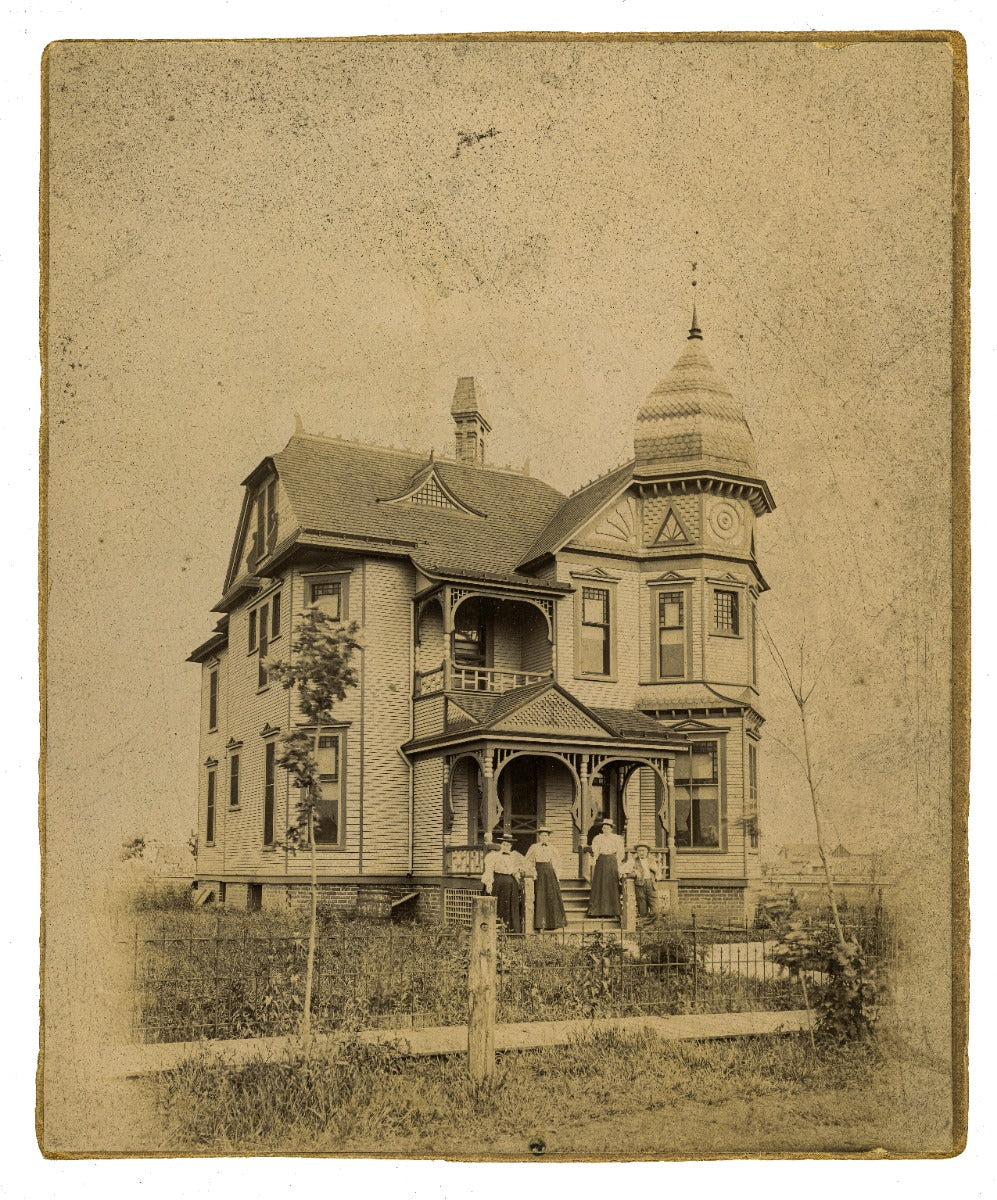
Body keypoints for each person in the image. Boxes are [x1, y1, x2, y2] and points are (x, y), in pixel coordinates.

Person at [524, 826, 566, 931]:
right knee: (540, 897)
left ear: (548, 837)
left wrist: (557, 875)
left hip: (550, 873)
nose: (544, 837)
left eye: (546, 835)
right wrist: (533, 871)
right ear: (539, 836)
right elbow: (528, 860)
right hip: (539, 872)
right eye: (542, 835)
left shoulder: (552, 848)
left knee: (551, 896)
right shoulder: (534, 847)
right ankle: (540, 924)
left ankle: (552, 923)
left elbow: (557, 862)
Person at [480, 835, 525, 932]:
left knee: (510, 905)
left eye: (508, 845)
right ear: (501, 845)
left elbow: (516, 870)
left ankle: (510, 928)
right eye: (504, 844)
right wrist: (489, 884)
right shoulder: (494, 856)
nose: (505, 847)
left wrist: (518, 878)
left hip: (510, 883)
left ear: (511, 846)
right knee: (498, 904)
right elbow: (489, 870)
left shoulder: (514, 857)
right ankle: (495, 928)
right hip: (498, 882)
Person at [587, 817, 626, 917]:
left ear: (611, 829)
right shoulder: (598, 838)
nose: (606, 830)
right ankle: (597, 911)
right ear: (602, 829)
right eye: (604, 828)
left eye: (608, 828)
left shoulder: (616, 838)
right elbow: (595, 851)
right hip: (601, 861)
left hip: (612, 861)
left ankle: (612, 911)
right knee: (600, 884)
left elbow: (620, 852)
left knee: (611, 884)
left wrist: (618, 862)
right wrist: (594, 860)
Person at [627, 842, 660, 918]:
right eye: (639, 850)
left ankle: (651, 924)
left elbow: (658, 874)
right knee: (642, 909)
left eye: (643, 850)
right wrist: (634, 871)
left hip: (651, 884)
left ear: (647, 851)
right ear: (637, 852)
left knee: (655, 910)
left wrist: (655, 871)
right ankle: (644, 924)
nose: (641, 852)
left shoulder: (652, 860)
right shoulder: (633, 861)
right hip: (640, 886)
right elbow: (624, 871)